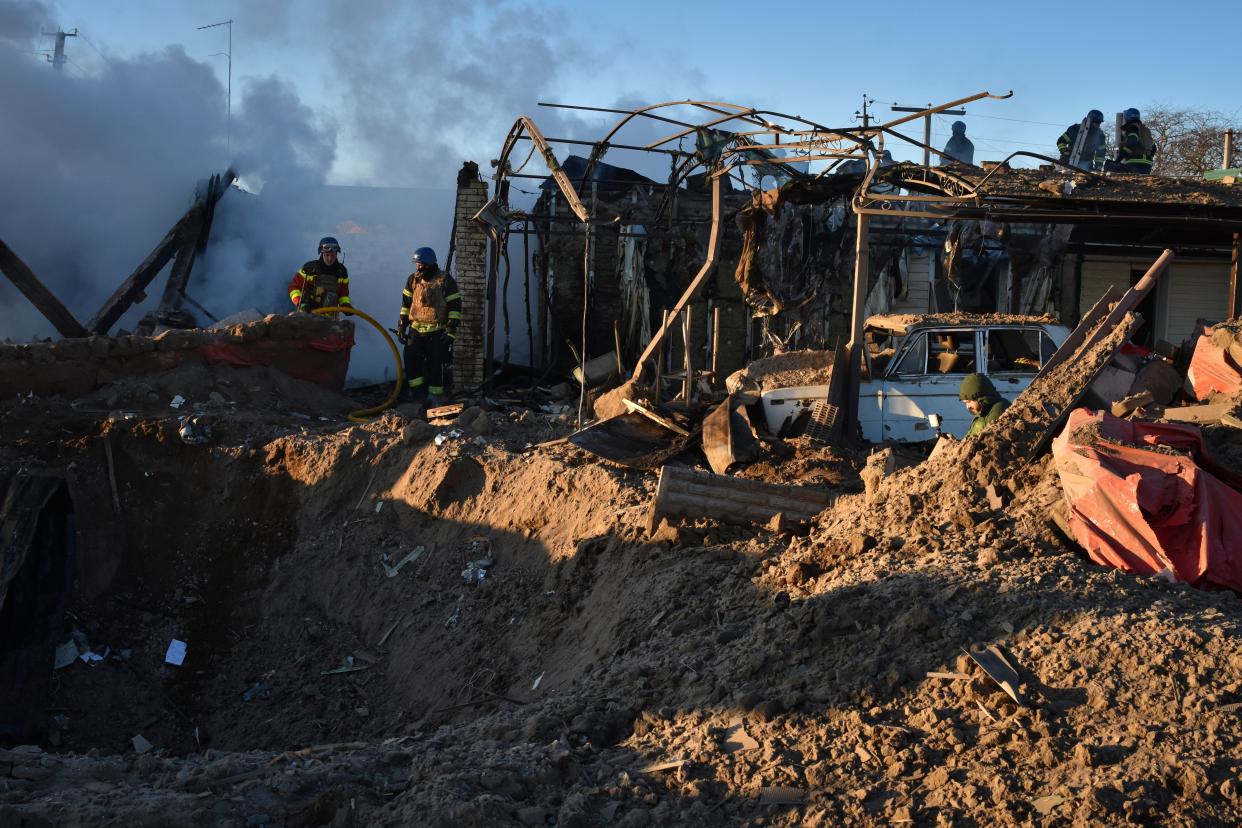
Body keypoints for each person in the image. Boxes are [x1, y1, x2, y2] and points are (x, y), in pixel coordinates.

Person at [397, 246, 461, 404]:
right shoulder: (413, 280)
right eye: (416, 264)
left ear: (430, 264)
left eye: (421, 264)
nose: (418, 267)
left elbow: (455, 306)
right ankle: (418, 397)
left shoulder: (445, 281)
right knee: (412, 365)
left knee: (435, 368)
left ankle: (435, 399)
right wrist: (401, 326)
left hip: (437, 334)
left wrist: (451, 331)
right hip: (415, 332)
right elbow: (406, 305)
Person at [289, 237, 351, 314]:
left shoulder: (342, 272)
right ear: (321, 253)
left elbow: (343, 295)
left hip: (331, 319)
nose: (330, 258)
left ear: (336, 254)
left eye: (333, 255)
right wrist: (300, 304)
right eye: (327, 255)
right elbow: (294, 288)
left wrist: (345, 304)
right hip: (308, 314)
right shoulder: (309, 269)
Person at [958, 373, 1009, 437]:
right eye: (965, 403)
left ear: (981, 397)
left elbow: (989, 442)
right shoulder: (983, 411)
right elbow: (970, 440)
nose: (967, 407)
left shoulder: (998, 411)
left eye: (969, 401)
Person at [1115, 108, 1157, 175]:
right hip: (1147, 163)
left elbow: (1132, 142)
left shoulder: (1132, 128)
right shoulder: (1146, 130)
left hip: (1134, 161)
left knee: (1132, 183)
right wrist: (1147, 156)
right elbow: (1154, 148)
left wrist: (1119, 159)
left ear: (1127, 118)